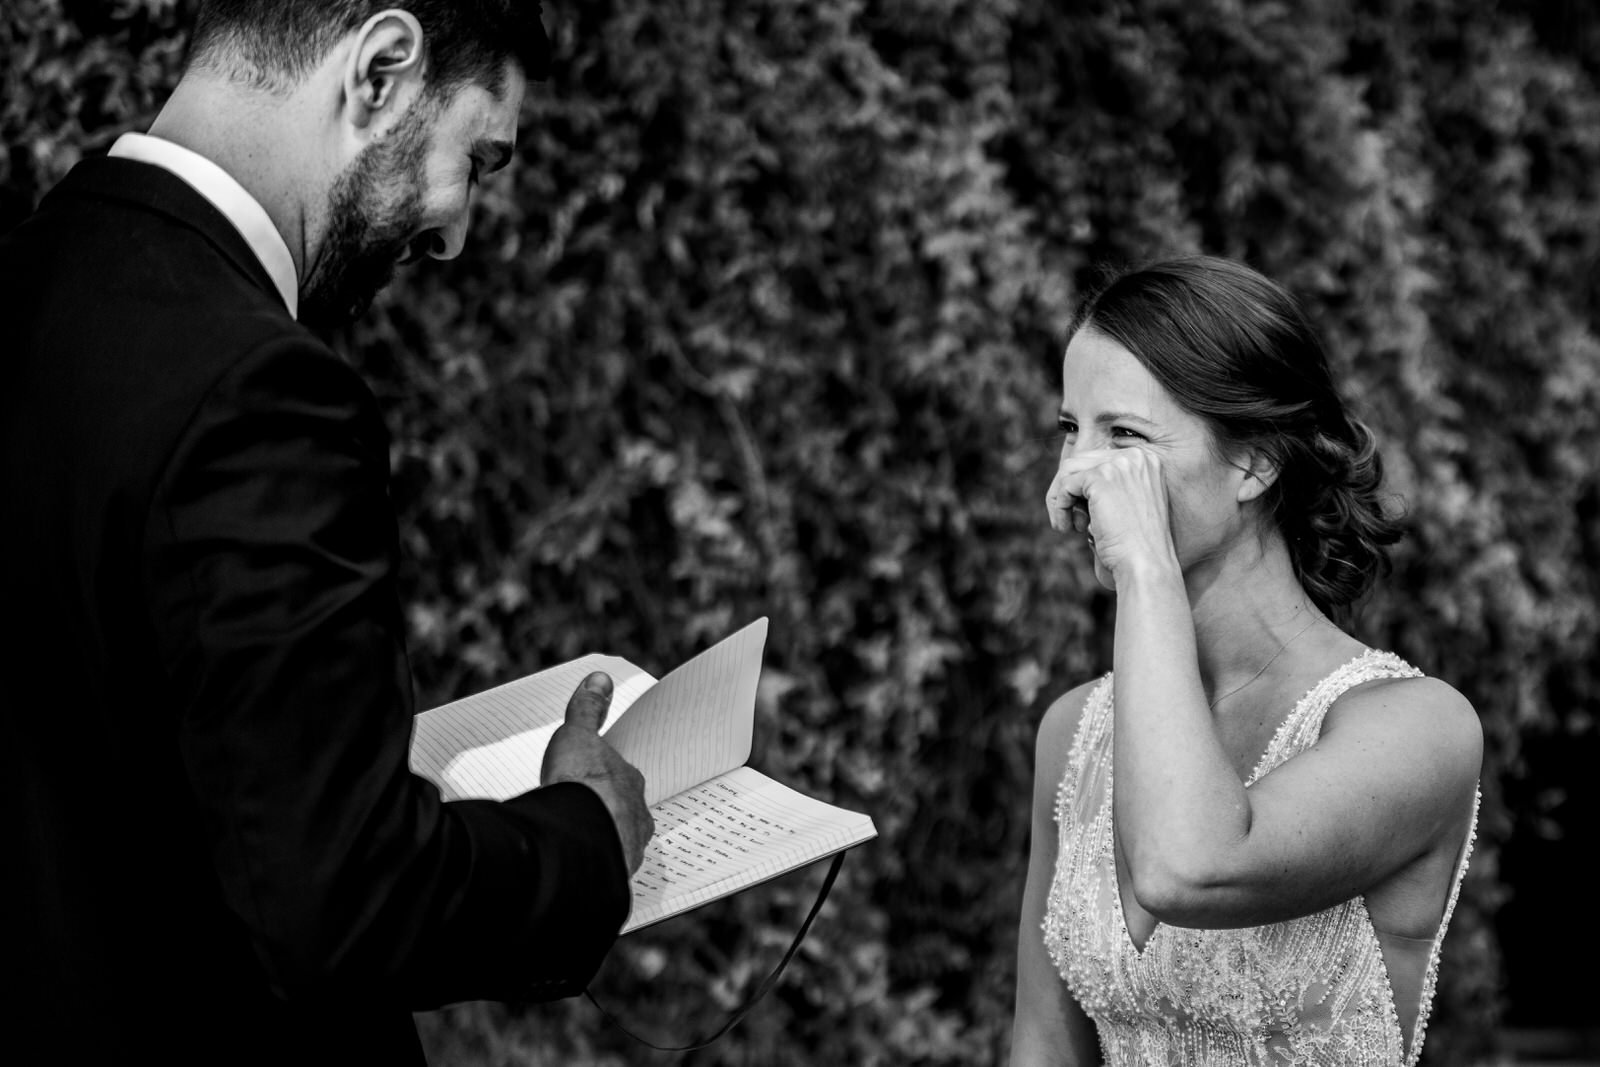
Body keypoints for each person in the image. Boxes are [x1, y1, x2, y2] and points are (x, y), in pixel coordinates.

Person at [1, 3, 654, 1063]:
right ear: (382, 69)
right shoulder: (258, 391)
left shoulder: (30, 276)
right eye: (479, 161)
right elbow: (342, 899)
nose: (454, 232)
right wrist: (582, 830)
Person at [1009, 256, 1482, 1066]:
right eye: (1069, 432)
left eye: (1122, 436)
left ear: (1255, 463)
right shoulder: (1073, 733)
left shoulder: (1416, 726)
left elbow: (1188, 866)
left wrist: (1146, 568)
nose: (1076, 478)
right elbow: (1043, 1047)